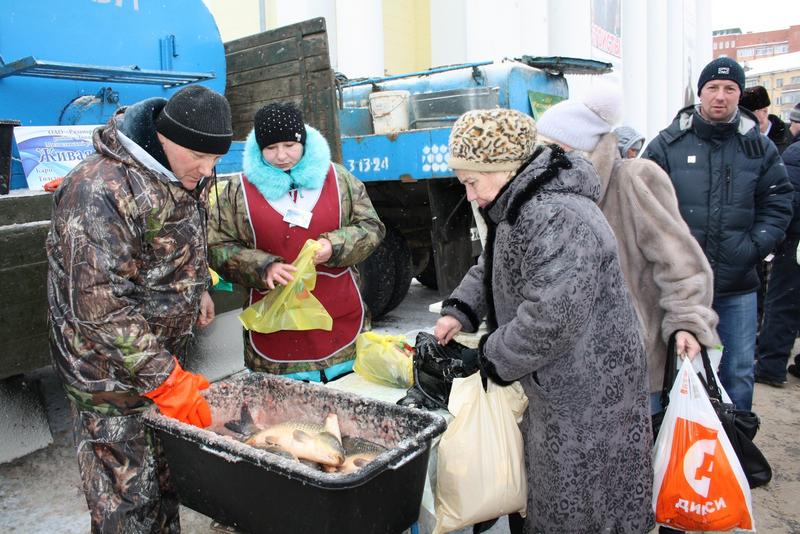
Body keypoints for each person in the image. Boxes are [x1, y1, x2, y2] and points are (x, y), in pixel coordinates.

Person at [435, 108, 653, 533]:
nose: (469, 193)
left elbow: (552, 316)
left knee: (583, 503)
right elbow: (494, 264)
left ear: (503, 168)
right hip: (561, 379)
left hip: (588, 388)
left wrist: (490, 357)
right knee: (557, 495)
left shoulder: (554, 214)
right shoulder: (518, 203)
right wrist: (460, 309)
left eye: (472, 181)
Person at [46, 84, 232, 532]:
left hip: (155, 367)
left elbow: (174, 245)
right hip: (108, 379)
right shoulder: (100, 189)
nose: (208, 170)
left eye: (216, 160)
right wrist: (167, 381)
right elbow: (99, 305)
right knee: (127, 505)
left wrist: (197, 287)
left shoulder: (181, 172)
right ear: (165, 138)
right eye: (198, 157)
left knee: (163, 487)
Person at [535, 84, 719, 419]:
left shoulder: (634, 179)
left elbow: (681, 263)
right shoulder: (552, 196)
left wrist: (687, 323)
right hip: (574, 365)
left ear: (579, 147)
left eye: (552, 147)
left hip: (635, 361)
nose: (543, 157)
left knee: (643, 461)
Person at [642, 57, 793, 411]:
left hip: (737, 285)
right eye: (713, 88)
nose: (720, 96)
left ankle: (735, 449)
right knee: (669, 369)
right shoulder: (668, 144)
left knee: (738, 371)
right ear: (700, 93)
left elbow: (779, 201)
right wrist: (666, 253)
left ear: (740, 96)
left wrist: (752, 248)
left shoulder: (759, 148)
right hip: (678, 286)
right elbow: (643, 205)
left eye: (730, 89)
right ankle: (672, 451)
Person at [208, 102, 385, 380]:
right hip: (275, 333)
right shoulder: (237, 191)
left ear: (303, 141)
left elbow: (371, 228)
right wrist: (262, 267)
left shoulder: (339, 180)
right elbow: (216, 246)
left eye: (290, 145)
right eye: (270, 148)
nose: (281, 156)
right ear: (258, 149)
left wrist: (334, 245)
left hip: (340, 323)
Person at [756, 103, 800, 386]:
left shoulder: (795, 152)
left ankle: (771, 366)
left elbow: (789, 201)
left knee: (784, 301)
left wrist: (776, 237)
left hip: (795, 243)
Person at [740, 85, 791, 153]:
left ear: (764, 111)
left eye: (750, 114)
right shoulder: (737, 138)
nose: (745, 119)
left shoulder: (790, 134)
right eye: (742, 115)